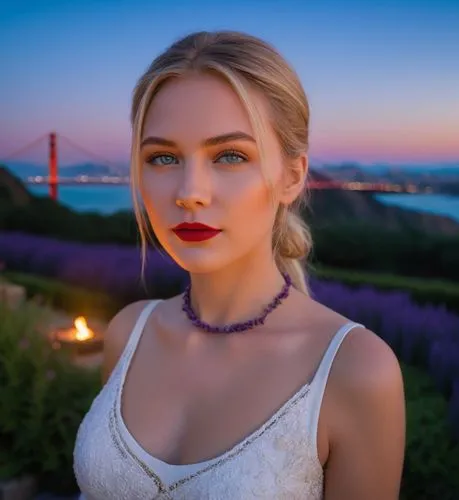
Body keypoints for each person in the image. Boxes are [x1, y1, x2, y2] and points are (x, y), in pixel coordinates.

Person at [73, 30, 406, 499]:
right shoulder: (129, 333)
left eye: (230, 156)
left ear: (292, 176)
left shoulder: (355, 370)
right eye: (163, 157)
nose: (189, 191)